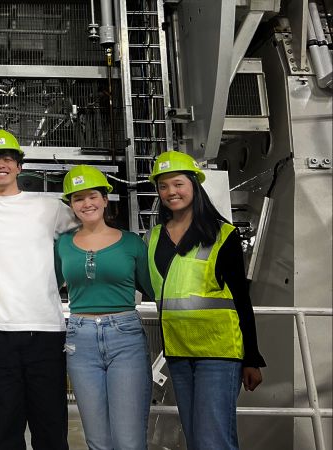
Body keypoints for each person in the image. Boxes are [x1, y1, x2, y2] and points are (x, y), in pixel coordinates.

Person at [0, 129, 77, 450]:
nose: (1, 164)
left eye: (7, 158)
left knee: (51, 431)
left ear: (19, 166)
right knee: (4, 432)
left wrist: (62, 278)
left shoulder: (49, 207)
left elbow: (87, 235)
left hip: (47, 332)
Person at [145, 151, 266, 450]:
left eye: (178, 183)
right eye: (163, 186)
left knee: (213, 440)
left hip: (219, 350)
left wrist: (251, 357)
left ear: (194, 186)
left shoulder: (222, 233)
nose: (171, 192)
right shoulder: (154, 237)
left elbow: (241, 298)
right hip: (177, 351)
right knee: (196, 438)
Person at [54, 165, 154, 450]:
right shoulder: (62, 245)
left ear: (105, 199)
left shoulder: (132, 244)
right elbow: (46, 286)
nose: (87, 204)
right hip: (79, 340)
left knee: (129, 440)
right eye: (78, 198)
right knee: (97, 440)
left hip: (125, 338)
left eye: (92, 196)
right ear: (71, 205)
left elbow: (153, 289)